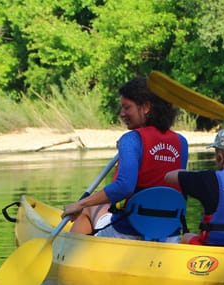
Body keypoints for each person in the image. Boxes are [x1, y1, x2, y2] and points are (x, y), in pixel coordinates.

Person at [61, 76, 189, 242]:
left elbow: (124, 187)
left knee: (89, 209)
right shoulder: (181, 142)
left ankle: (67, 253)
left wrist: (80, 204)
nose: (122, 113)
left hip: (128, 233)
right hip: (169, 233)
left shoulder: (131, 139)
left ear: (146, 107)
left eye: (127, 107)